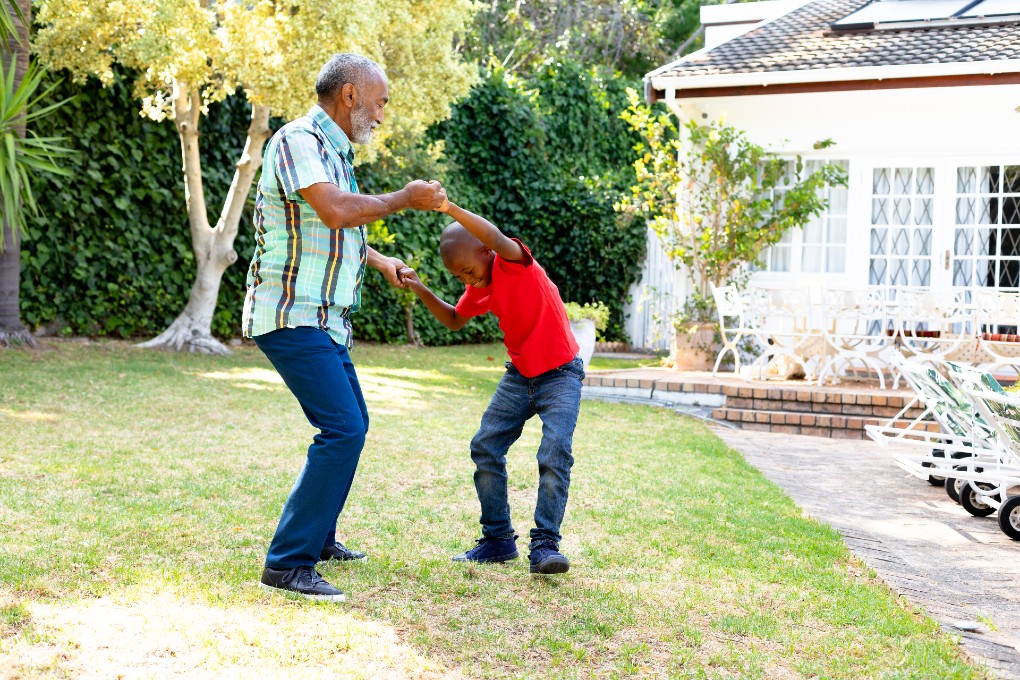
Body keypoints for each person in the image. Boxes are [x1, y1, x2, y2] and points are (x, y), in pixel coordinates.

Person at [242, 53, 447, 602]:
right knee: (342, 429)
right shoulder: (297, 141)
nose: (381, 115)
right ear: (351, 95)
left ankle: (320, 536)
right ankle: (287, 563)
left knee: (354, 422)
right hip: (290, 312)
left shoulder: (332, 151)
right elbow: (334, 210)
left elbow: (332, 225)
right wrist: (404, 199)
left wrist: (378, 262)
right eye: (379, 102)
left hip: (326, 318)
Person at [399, 197, 583, 575]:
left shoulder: (515, 262)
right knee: (485, 446)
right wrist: (419, 287)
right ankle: (498, 540)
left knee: (555, 452)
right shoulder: (478, 286)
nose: (467, 280)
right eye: (459, 277)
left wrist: (447, 207)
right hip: (519, 376)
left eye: (468, 270)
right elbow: (453, 319)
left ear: (486, 251)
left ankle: (545, 545)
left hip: (561, 374)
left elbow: (496, 236)